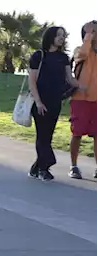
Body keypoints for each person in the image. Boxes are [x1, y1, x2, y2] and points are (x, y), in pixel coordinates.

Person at [28, 26, 80, 181]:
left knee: (47, 136)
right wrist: (38, 102)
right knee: (42, 135)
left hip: (55, 101)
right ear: (50, 37)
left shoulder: (63, 57)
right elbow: (32, 81)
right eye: (58, 35)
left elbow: (69, 79)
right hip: (40, 102)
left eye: (63, 36)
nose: (61, 38)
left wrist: (84, 85)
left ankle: (36, 168)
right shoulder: (39, 55)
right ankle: (45, 167)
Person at [69, 20, 98, 179]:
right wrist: (88, 36)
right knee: (77, 133)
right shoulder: (80, 50)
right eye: (93, 32)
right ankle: (74, 166)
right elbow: (82, 56)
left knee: (97, 135)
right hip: (80, 99)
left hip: (96, 101)